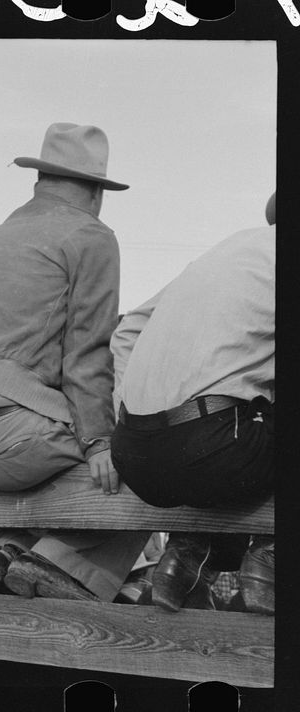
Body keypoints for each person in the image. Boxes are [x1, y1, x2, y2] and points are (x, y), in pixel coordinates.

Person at [0, 123, 148, 602]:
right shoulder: (91, 235)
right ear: (96, 191)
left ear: (39, 181)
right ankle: (63, 565)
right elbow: (88, 354)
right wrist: (99, 442)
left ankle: (8, 553)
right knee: (150, 456)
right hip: (13, 442)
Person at [110, 192, 276, 614]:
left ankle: (188, 554)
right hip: (214, 446)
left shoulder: (223, 253)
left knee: (234, 429)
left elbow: (128, 329)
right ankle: (271, 555)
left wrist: (128, 414)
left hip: (133, 455)